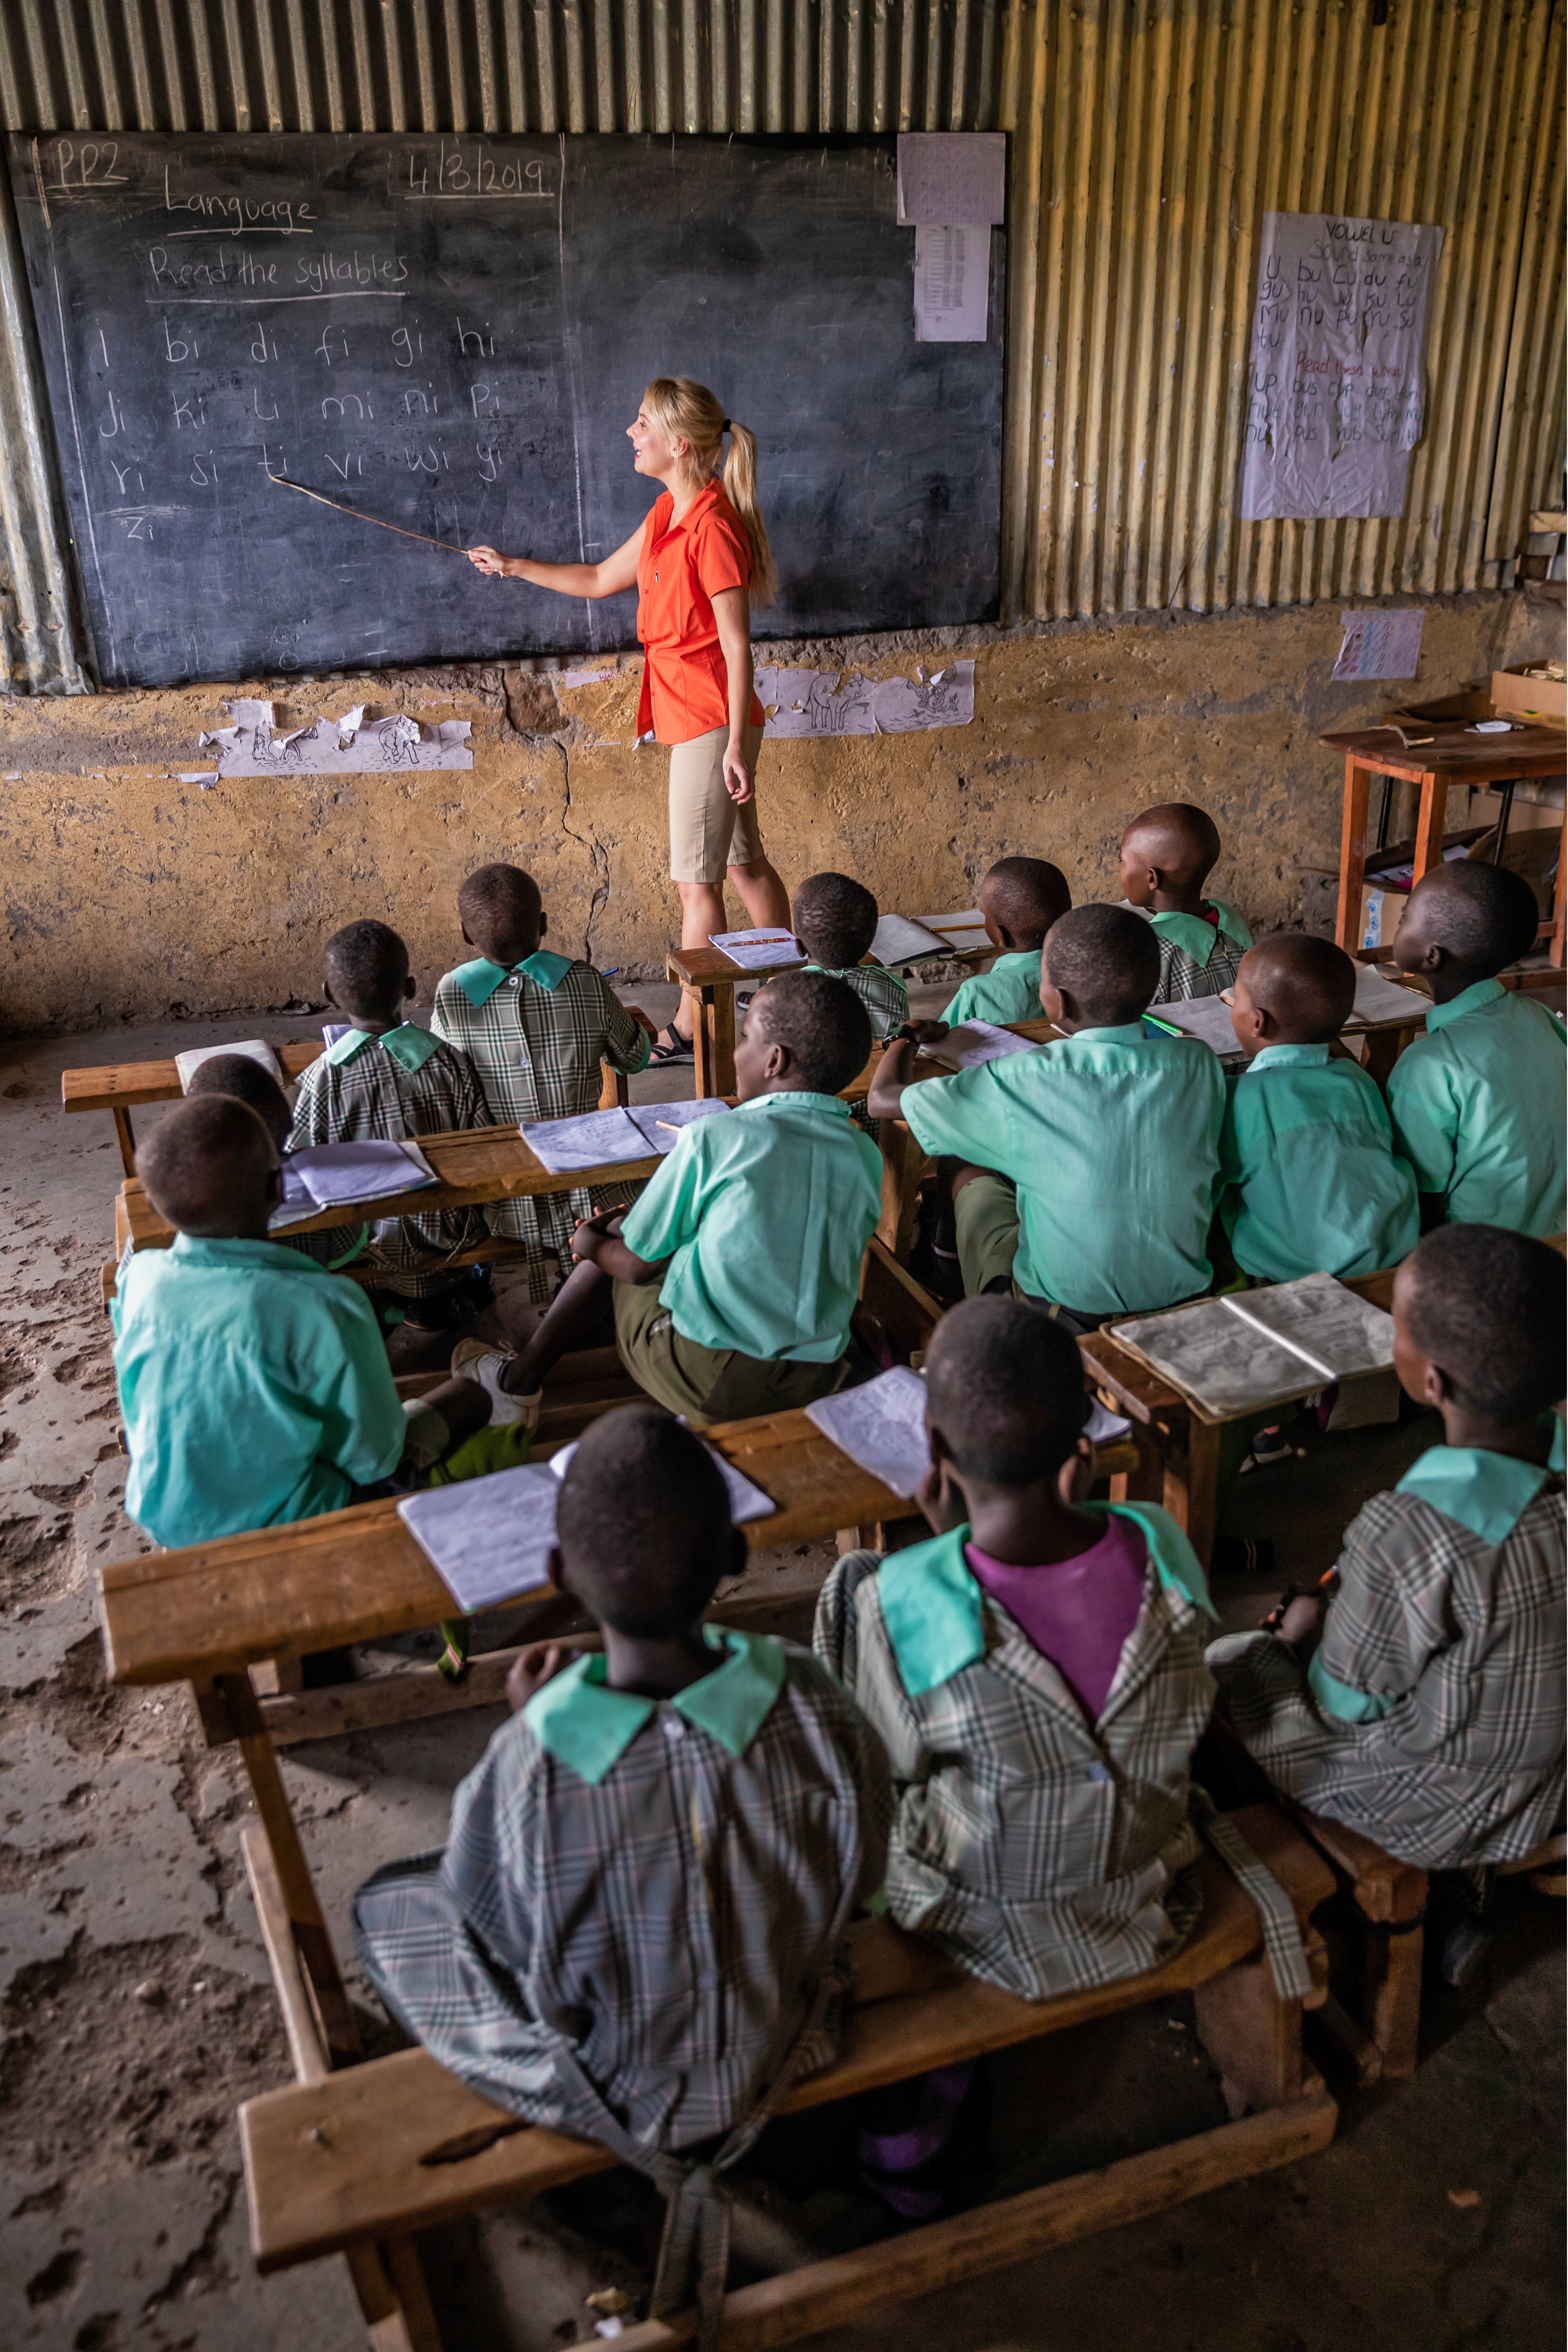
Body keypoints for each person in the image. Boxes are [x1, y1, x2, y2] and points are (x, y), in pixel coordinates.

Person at [353, 1406, 891, 2173]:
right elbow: (866, 1871)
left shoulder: (527, 1768)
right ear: (735, 1554)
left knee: (385, 1906)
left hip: (616, 2086)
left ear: (561, 1576)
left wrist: (545, 1725)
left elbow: (502, 1938)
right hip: (792, 2035)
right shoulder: (811, 1697)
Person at [815, 1297, 1216, 1998]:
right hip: (1144, 1888)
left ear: (934, 1443)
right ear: (1084, 1445)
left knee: (852, 1588)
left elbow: (896, 1767)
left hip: (978, 1914)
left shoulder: (901, 1598)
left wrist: (946, 1551)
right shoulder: (1159, 1538)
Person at [1207, 1225, 1565, 1868]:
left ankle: (1427, 1890)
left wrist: (1303, 1634)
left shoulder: (1407, 1532)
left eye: (1397, 1325)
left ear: (1430, 1380)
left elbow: (1347, 1698)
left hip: (1449, 1809)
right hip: (1552, 1769)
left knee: (1233, 1663)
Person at [467, 378, 790, 1065]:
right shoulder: (666, 517)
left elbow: (738, 644)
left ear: (678, 444)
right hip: (698, 718)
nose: (629, 432)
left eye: (641, 423)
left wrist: (734, 743)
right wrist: (512, 565)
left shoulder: (712, 528)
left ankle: (695, 1025)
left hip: (713, 722)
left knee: (694, 883)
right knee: (743, 863)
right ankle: (794, 992)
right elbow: (594, 579)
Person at [455, 974, 882, 1429]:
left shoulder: (717, 1136)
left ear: (774, 1060)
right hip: (815, 1373)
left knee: (617, 1240)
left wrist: (589, 1241)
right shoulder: (862, 1153)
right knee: (659, 1227)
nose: (738, 1052)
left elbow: (637, 1265)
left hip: (709, 1377)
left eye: (746, 1038)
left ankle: (516, 1383)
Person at [110, 1097, 492, 1551]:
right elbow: (375, 1459)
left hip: (167, 1517)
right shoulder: (323, 1303)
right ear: (278, 1187)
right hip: (291, 1526)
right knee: (469, 1396)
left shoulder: (139, 1280)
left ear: (156, 1205)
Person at [868, 904, 1225, 1329]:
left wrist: (906, 1036)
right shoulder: (1197, 1063)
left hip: (1062, 1317)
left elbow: (883, 1099)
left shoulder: (1025, 1075)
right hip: (1185, 1299)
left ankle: (958, 1292)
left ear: (1058, 1000)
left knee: (962, 1161)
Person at [430, 864, 655, 1301]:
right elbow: (634, 1059)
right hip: (591, 1192)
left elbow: (448, 1079)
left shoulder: (452, 994)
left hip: (501, 1201)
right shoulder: (584, 982)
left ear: (464, 934)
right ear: (545, 925)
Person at [288, 919, 494, 1331]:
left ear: (329, 994)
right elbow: (484, 1149)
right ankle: (440, 1303)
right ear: (411, 987)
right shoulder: (450, 1062)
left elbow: (299, 1168)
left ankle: (379, 1308)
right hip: (450, 1244)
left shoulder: (322, 1079)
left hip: (364, 1253)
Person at [1220, 932, 1419, 1281]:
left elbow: (1212, 1181)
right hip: (1389, 1256)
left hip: (1295, 1273)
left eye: (1237, 998)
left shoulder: (1240, 1097)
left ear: (1258, 1022)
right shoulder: (1358, 1081)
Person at [1384, 860, 1566, 1236]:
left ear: (1431, 957)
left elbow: (1422, 1199)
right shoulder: (1539, 1015)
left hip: (1481, 1253)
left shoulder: (1427, 1066)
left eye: (1404, 919)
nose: (1399, 926)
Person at [1119, 803, 1252, 1002]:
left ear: (1152, 879)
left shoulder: (1148, 952)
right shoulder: (1234, 922)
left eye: (1123, 863)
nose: (1121, 871)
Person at [934, 857, 1071, 1028]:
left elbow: (938, 1043)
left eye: (985, 916)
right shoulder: (1084, 976)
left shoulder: (976, 993)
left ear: (1001, 935)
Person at [792, 871, 908, 1043]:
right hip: (883, 1068)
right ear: (870, 944)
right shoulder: (894, 987)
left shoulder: (785, 995)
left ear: (799, 947)